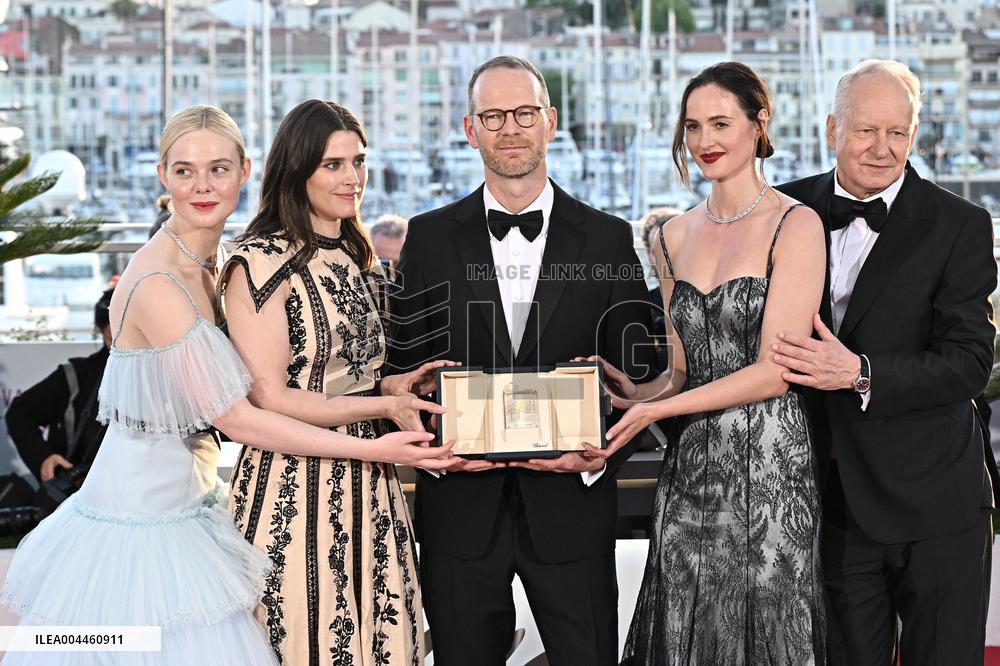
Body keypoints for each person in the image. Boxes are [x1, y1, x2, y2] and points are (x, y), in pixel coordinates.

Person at [0, 104, 451, 666]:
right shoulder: (161, 279)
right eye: (184, 170)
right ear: (163, 176)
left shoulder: (217, 259)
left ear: (245, 170)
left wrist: (385, 388)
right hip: (137, 523)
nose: (203, 186)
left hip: (196, 502)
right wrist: (373, 438)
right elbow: (238, 416)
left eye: (218, 169)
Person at [387, 55, 655, 665]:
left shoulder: (609, 237)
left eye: (524, 113)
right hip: (460, 512)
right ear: (469, 128)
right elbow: (401, 371)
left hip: (572, 509)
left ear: (550, 121)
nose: (511, 127)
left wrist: (596, 455)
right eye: (493, 115)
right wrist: (430, 449)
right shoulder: (427, 237)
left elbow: (635, 379)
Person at [582, 62, 828, 664]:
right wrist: (641, 394)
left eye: (721, 123)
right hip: (690, 476)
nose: (704, 141)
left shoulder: (796, 224)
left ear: (758, 123)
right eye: (693, 126)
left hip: (772, 473)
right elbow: (686, 370)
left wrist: (657, 413)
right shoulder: (668, 237)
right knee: (683, 632)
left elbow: (777, 369)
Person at [773, 59, 997, 666]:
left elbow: (970, 362)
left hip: (936, 503)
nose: (882, 148)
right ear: (830, 130)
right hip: (828, 503)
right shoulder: (784, 211)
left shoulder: (961, 225)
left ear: (913, 136)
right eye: (866, 130)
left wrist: (861, 373)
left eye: (897, 133)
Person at [220, 99, 453, 664]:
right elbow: (269, 396)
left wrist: (395, 391)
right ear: (296, 169)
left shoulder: (358, 254)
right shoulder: (257, 263)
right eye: (333, 165)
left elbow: (354, 377)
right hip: (293, 494)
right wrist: (379, 413)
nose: (352, 178)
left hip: (371, 486)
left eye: (359, 161)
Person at [6, 288, 113, 485]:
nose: (114, 330)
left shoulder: (161, 375)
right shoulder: (76, 374)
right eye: (108, 324)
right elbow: (19, 413)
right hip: (80, 495)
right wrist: (44, 458)